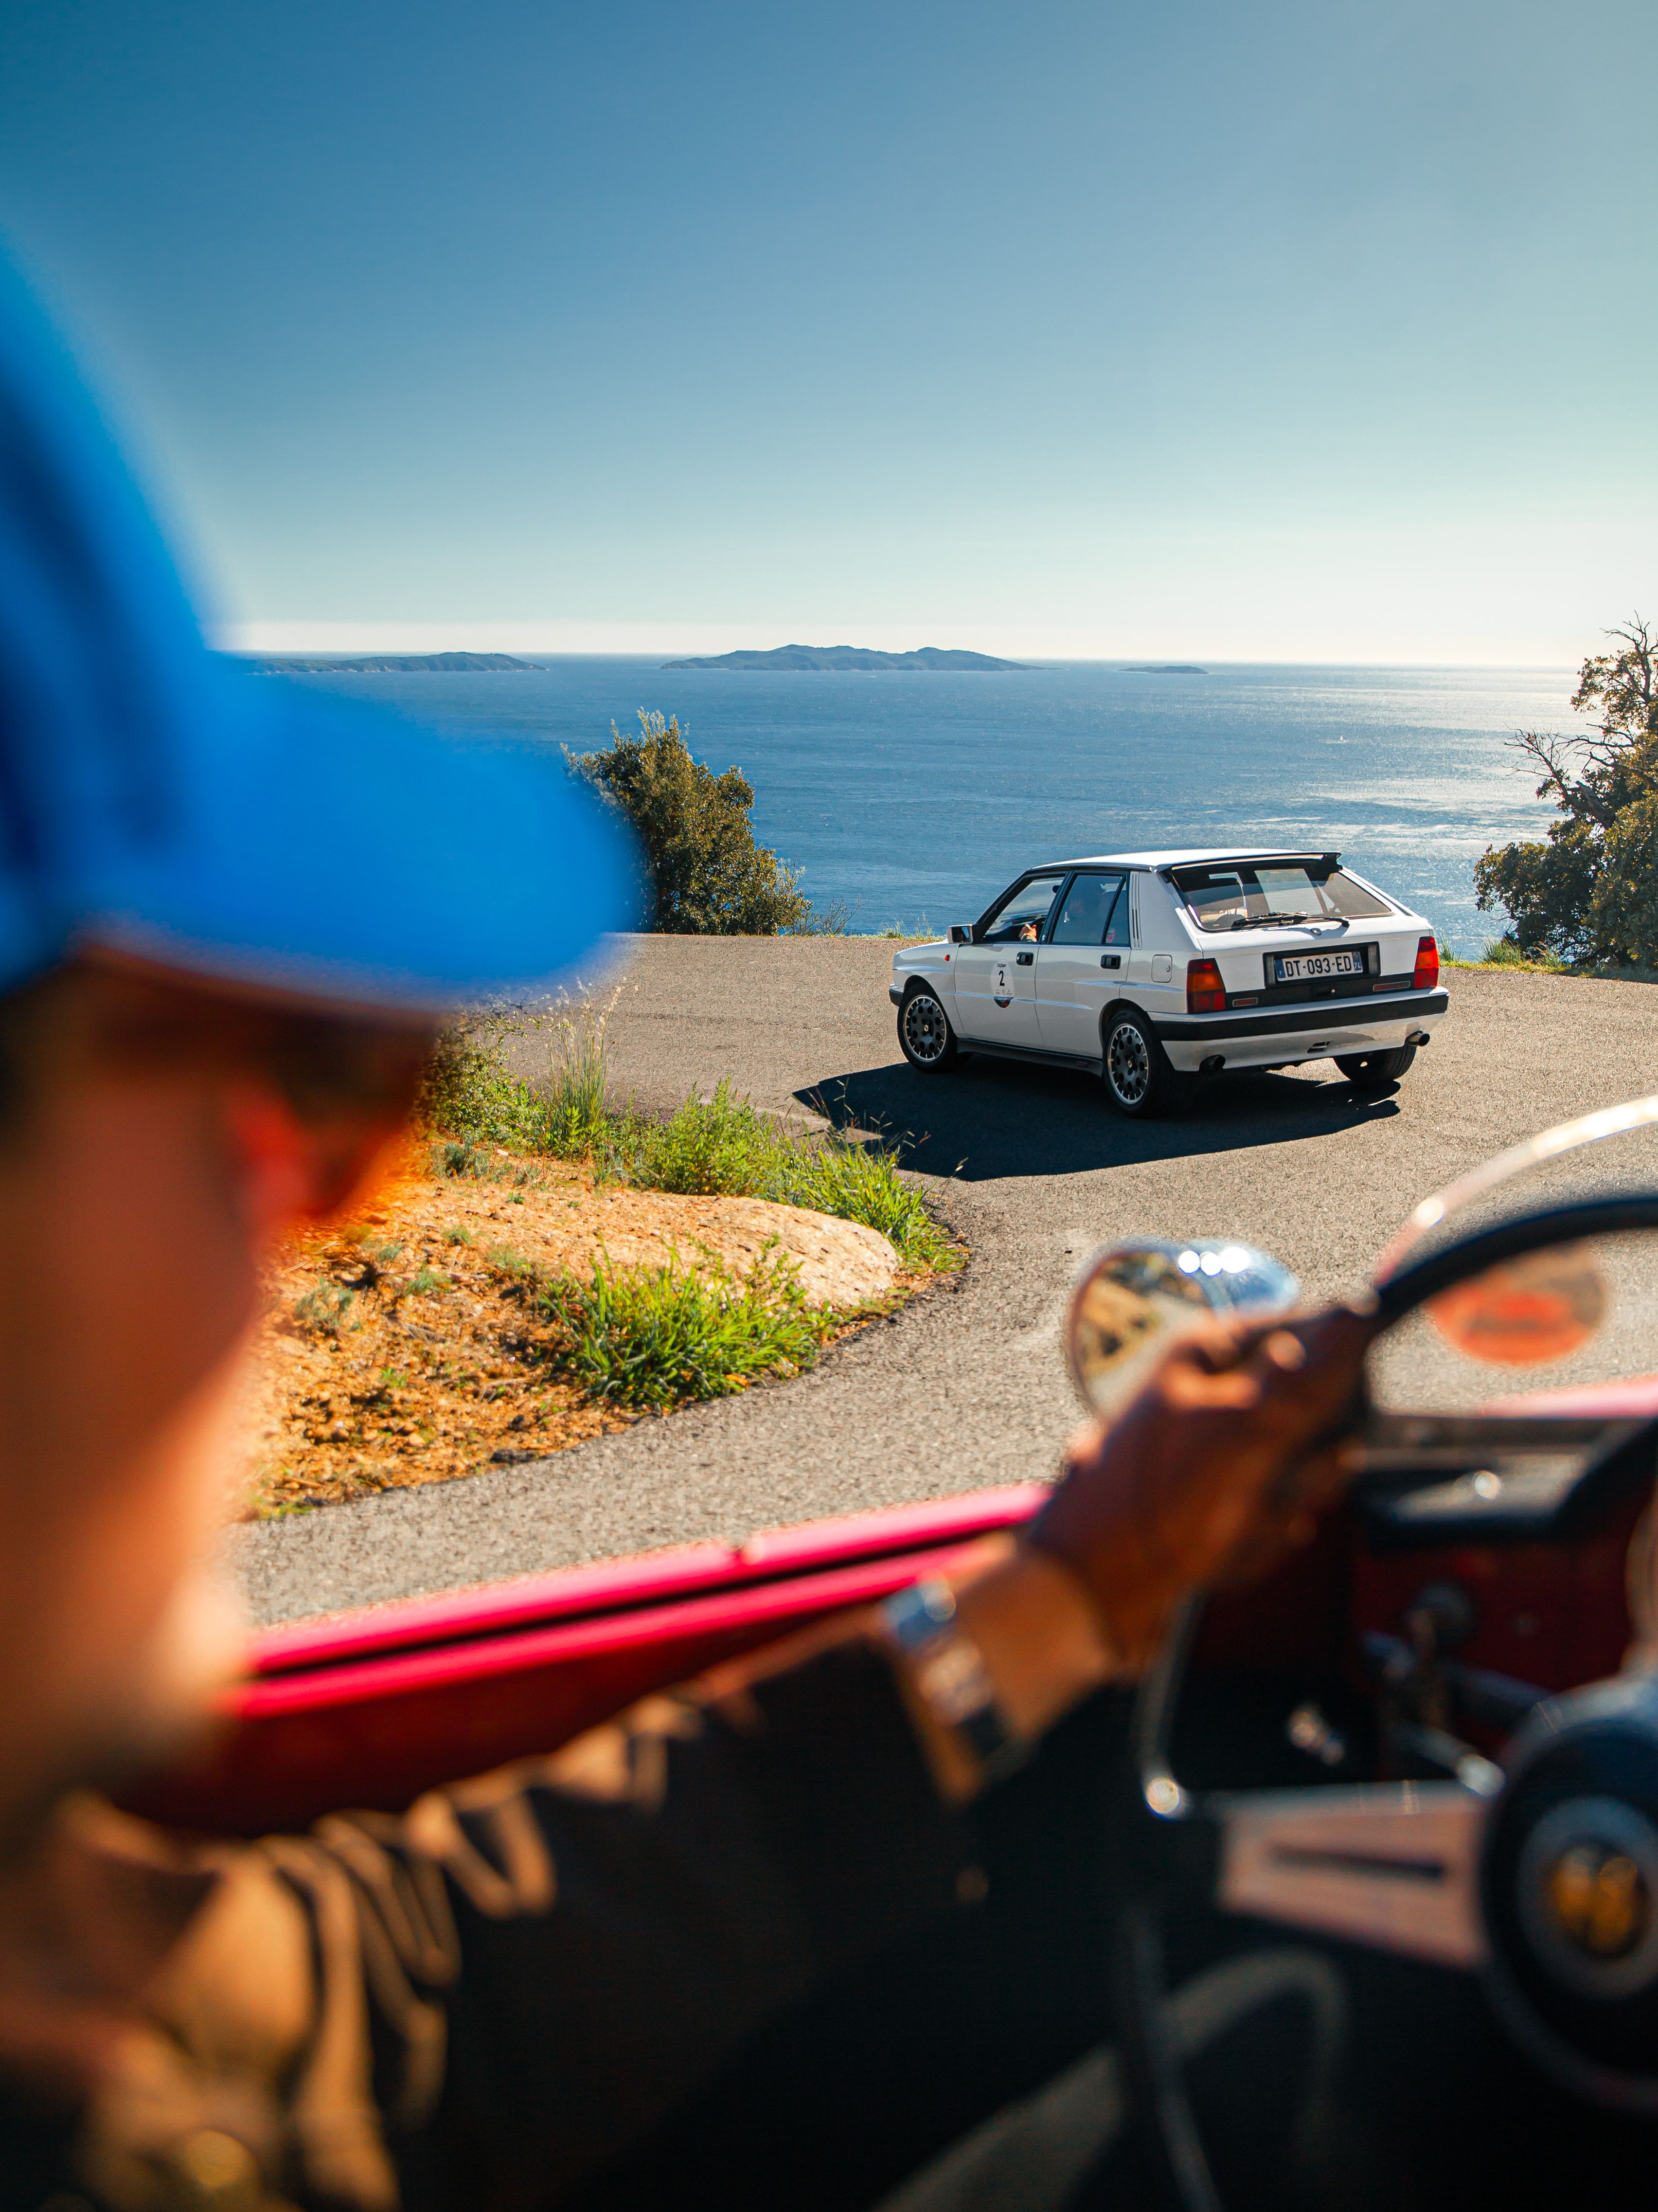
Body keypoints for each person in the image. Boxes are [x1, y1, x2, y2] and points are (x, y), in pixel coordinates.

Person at [0, 255, 1369, 2212]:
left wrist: (1072, 1586)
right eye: (310, 1084)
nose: (321, 1231)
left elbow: (389, 1993)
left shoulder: (64, 1965)